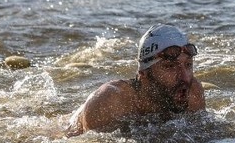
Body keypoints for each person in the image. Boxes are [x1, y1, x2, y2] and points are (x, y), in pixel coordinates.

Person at [67, 24, 206, 136]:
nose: (185, 77)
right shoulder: (110, 102)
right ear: (143, 73)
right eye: (170, 66)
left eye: (188, 65)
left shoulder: (193, 93)